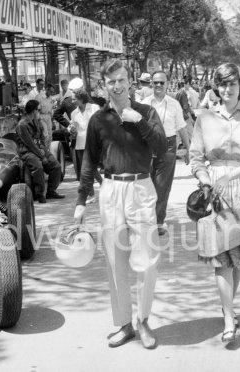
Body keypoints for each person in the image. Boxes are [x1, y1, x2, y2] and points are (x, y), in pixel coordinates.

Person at [73, 59, 167, 349]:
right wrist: (80, 200)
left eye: (121, 79)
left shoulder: (146, 112)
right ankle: (125, 324)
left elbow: (162, 148)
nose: (116, 85)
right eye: (111, 81)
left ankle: (143, 320)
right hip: (111, 189)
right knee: (116, 262)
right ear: (104, 84)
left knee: (147, 261)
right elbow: (88, 161)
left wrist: (139, 123)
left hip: (141, 188)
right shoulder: (98, 120)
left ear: (130, 82)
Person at [189, 63, 240, 344]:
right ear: (217, 86)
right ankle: (228, 317)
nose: (227, 89)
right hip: (216, 194)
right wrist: (206, 179)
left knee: (239, 260)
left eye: (232, 84)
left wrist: (230, 176)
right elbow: (196, 158)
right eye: (222, 84)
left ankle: (228, 308)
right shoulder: (204, 119)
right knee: (222, 260)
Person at [142, 70, 190, 235]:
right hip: (148, 147)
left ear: (168, 83)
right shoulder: (145, 103)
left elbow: (182, 128)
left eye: (162, 82)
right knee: (145, 185)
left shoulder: (174, 104)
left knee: (162, 186)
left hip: (168, 147)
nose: (159, 85)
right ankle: (146, 219)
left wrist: (189, 150)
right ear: (151, 84)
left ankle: (158, 222)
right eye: (156, 82)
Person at [16, 100, 64, 203]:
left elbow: (42, 138)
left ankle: (51, 191)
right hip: (27, 152)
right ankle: (39, 194)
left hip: (39, 149)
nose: (39, 111)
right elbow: (30, 144)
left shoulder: (36, 121)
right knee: (38, 167)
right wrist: (42, 157)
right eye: (38, 110)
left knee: (56, 166)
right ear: (33, 111)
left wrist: (43, 149)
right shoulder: (22, 125)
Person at [69, 89, 101, 197]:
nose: (72, 101)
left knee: (91, 168)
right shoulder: (73, 113)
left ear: (82, 99)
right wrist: (71, 130)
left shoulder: (94, 108)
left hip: (93, 142)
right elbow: (73, 127)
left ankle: (104, 186)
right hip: (80, 144)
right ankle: (91, 194)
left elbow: (100, 123)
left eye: (74, 99)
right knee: (85, 170)